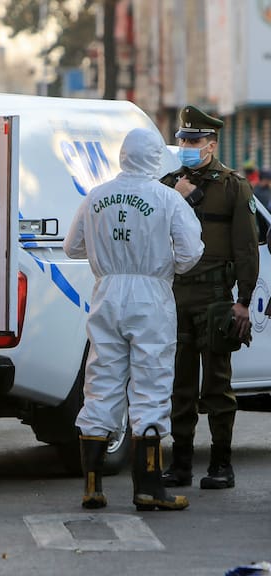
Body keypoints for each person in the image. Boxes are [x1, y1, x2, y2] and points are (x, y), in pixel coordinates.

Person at [64, 127, 204, 511]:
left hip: (107, 293)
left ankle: (92, 485)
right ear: (156, 158)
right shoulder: (167, 199)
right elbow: (191, 253)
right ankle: (148, 488)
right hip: (151, 296)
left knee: (102, 382)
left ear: (123, 156)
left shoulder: (96, 196)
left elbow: (71, 246)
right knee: (151, 385)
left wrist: (108, 260)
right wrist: (162, 268)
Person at [160, 105, 259, 490]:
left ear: (212, 144)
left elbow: (247, 248)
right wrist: (177, 194)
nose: (187, 145)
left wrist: (244, 301)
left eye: (195, 140)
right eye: (183, 139)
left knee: (216, 385)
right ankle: (180, 463)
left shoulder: (233, 186)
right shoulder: (167, 184)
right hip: (176, 294)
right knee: (179, 385)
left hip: (217, 296)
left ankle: (221, 464)